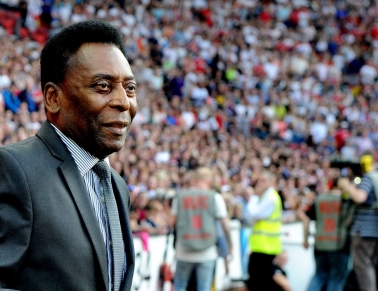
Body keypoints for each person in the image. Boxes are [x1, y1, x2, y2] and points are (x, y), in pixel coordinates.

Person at [0, 20, 136, 291]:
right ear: (53, 98)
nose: (124, 101)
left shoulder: (118, 186)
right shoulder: (15, 169)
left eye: (130, 87)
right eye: (102, 86)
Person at [169, 167, 233, 291]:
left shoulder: (180, 196)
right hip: (207, 251)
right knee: (204, 287)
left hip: (184, 250)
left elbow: (172, 223)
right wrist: (231, 247)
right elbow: (225, 225)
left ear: (194, 180)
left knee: (180, 285)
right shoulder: (215, 197)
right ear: (209, 180)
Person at [339, 154, 378, 291]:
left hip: (365, 229)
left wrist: (347, 186)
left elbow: (360, 197)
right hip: (377, 228)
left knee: (362, 267)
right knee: (368, 265)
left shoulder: (369, 177)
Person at [302, 175, 353, 291]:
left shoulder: (319, 198)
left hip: (320, 244)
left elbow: (306, 219)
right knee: (336, 280)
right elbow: (349, 221)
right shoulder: (346, 201)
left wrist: (305, 239)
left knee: (319, 276)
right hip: (339, 245)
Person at [246, 170, 283, 291]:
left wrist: (254, 197)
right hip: (262, 247)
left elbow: (253, 214)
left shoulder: (270, 198)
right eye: (259, 180)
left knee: (259, 283)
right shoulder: (267, 197)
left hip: (265, 248)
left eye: (263, 181)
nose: (259, 184)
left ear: (272, 182)